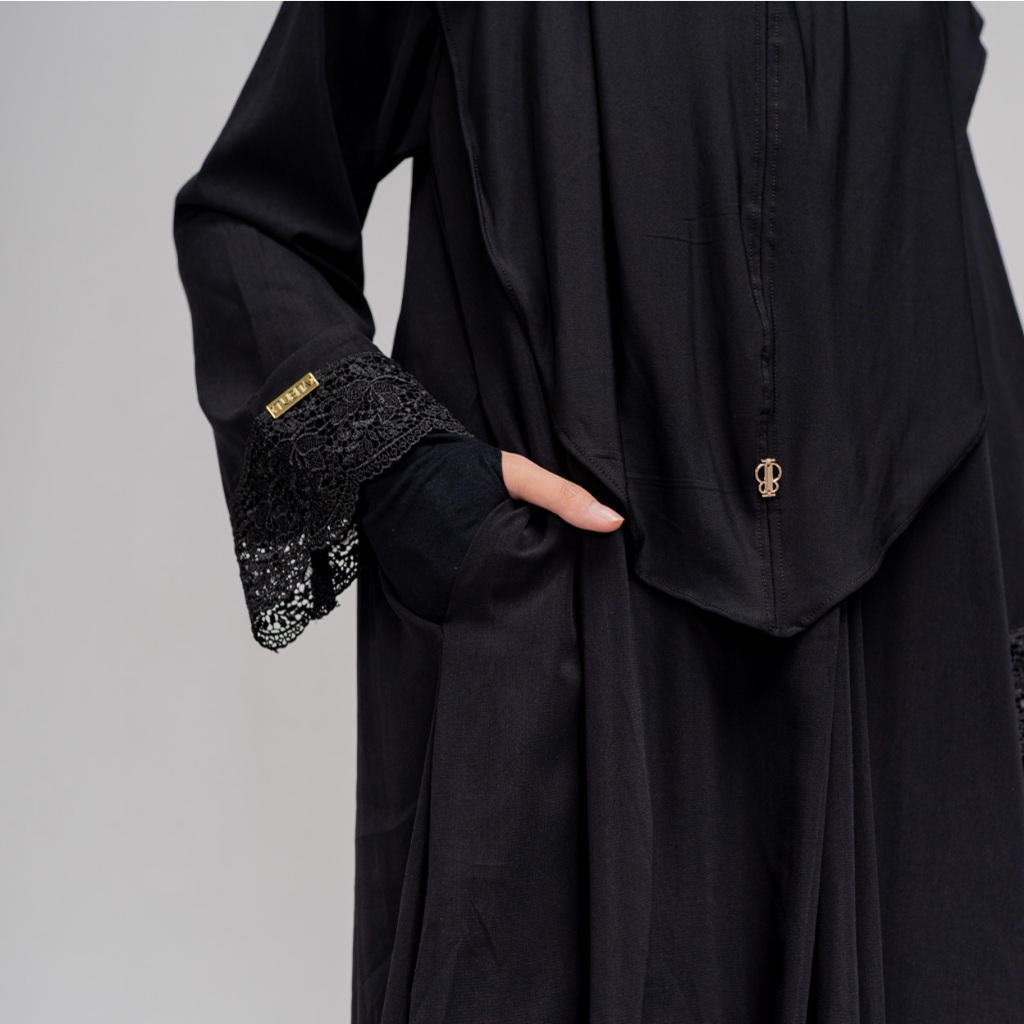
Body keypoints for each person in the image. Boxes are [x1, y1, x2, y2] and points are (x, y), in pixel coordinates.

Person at [173, 3, 1024, 1021]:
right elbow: (251, 217)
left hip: (899, 657)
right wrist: (422, 492)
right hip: (575, 661)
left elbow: (935, 247)